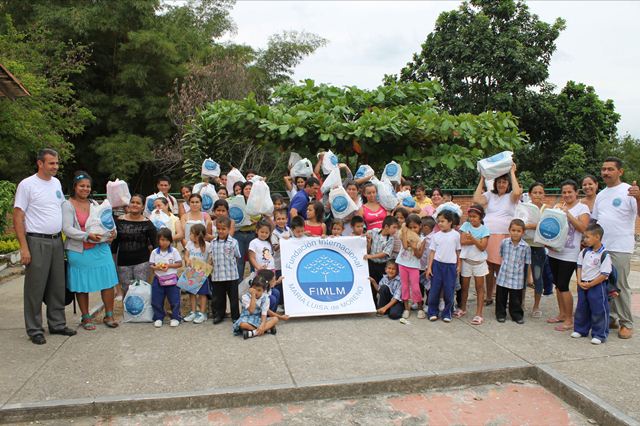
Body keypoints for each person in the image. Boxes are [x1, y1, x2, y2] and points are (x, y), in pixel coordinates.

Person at [13, 149, 77, 344]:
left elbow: (62, 209)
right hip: (36, 240)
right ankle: (34, 329)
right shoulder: (27, 185)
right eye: (51, 163)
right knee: (35, 287)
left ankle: (57, 324)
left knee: (57, 285)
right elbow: (18, 216)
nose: (55, 167)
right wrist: (24, 247)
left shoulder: (56, 183)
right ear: (40, 163)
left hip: (56, 240)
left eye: (57, 163)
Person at [62, 171, 119, 330]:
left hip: (100, 248)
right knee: (82, 284)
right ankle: (86, 317)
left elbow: (106, 222)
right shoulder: (67, 205)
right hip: (79, 250)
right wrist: (87, 236)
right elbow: (67, 229)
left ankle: (109, 315)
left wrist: (112, 233)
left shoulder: (95, 204)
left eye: (88, 186)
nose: (85, 189)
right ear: (74, 187)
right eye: (82, 186)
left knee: (108, 280)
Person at [592, 157, 640, 339]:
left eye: (610, 169)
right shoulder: (601, 195)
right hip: (602, 247)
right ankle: (610, 317)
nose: (605, 172)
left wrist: (639, 196)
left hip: (621, 247)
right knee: (604, 284)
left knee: (620, 285)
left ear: (620, 172)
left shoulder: (629, 191)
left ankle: (626, 323)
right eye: (603, 169)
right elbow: (595, 220)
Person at [473, 164, 522, 306]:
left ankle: (502, 297)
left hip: (504, 236)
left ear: (508, 184)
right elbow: (476, 199)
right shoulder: (490, 195)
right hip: (489, 235)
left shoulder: (511, 197)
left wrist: (512, 172)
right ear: (495, 183)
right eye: (499, 182)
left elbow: (518, 191)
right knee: (488, 268)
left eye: (504, 182)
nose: (501, 184)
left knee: (502, 267)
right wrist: (482, 178)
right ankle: (489, 296)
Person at [547, 180, 590, 332]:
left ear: (576, 192)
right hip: (554, 251)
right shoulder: (557, 206)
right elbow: (551, 226)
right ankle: (561, 314)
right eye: (564, 192)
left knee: (564, 285)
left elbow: (583, 228)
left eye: (569, 192)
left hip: (570, 254)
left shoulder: (582, 208)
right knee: (558, 285)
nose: (566, 195)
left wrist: (568, 214)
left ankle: (569, 320)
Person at [571, 224, 613, 345]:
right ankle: (580, 329)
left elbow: (604, 274)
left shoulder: (604, 255)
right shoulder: (584, 252)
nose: (585, 240)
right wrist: (579, 281)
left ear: (597, 237)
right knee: (582, 307)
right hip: (583, 284)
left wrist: (591, 284)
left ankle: (600, 334)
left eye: (587, 237)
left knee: (598, 309)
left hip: (597, 285)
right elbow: (579, 267)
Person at [111, 194, 157, 297]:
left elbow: (155, 244)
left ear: (143, 206)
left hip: (142, 262)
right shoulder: (119, 221)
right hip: (123, 263)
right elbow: (114, 243)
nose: (135, 205)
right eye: (133, 202)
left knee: (141, 290)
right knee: (126, 290)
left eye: (138, 203)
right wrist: (112, 260)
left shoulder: (148, 224)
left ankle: (143, 313)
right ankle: (127, 312)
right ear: (129, 204)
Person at [426, 210, 461, 322]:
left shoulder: (456, 235)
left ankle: (447, 313)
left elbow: (458, 251)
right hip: (437, 265)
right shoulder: (436, 236)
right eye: (438, 221)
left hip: (450, 266)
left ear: (450, 222)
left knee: (449, 290)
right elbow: (432, 252)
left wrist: (459, 265)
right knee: (434, 290)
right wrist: (429, 267)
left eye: (443, 221)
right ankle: (432, 312)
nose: (440, 223)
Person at [495, 219, 532, 324]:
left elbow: (527, 262)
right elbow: (501, 254)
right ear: (509, 230)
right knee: (501, 297)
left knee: (516, 298)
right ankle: (500, 314)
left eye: (518, 231)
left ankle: (516, 315)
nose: (515, 233)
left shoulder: (526, 247)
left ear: (523, 232)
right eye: (513, 230)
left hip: (517, 277)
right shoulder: (504, 242)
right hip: (504, 275)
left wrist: (529, 277)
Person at [458, 204, 490, 325]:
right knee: (464, 287)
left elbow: (482, 247)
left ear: (481, 217)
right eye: (470, 216)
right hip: (466, 261)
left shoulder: (485, 229)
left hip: (479, 263)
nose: (472, 219)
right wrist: (477, 240)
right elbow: (462, 241)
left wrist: (471, 238)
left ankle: (479, 313)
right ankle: (463, 308)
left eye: (475, 216)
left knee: (479, 288)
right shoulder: (465, 225)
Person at [523, 182, 548, 319]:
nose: (537, 195)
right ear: (530, 194)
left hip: (538, 248)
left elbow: (547, 228)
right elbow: (519, 225)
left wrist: (530, 225)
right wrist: (535, 226)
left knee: (538, 277)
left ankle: (536, 306)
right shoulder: (524, 208)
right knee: (521, 277)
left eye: (540, 192)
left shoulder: (547, 209)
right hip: (524, 246)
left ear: (544, 194)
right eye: (535, 192)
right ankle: (520, 303)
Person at [211, 216, 241, 324]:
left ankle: (235, 316)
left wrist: (232, 267)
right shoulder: (213, 243)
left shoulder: (233, 242)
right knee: (218, 298)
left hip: (231, 275)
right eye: (218, 229)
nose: (221, 231)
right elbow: (211, 257)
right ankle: (219, 315)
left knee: (233, 297)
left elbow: (237, 256)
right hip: (217, 275)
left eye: (223, 229)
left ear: (228, 229)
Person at [396, 214, 427, 319]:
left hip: (414, 266)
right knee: (404, 286)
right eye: (410, 227)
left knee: (415, 287)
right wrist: (404, 232)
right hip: (402, 263)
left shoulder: (422, 239)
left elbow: (419, 256)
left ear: (420, 226)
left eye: (415, 227)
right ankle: (406, 308)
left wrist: (414, 248)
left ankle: (420, 308)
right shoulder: (403, 234)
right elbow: (405, 247)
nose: (413, 230)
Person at [150, 228, 183, 328]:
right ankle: (159, 317)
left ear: (170, 241)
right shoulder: (155, 252)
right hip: (158, 279)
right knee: (157, 299)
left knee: (174, 299)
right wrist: (157, 267)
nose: (164, 242)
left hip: (172, 279)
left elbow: (179, 264)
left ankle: (175, 317)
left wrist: (168, 266)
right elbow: (151, 265)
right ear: (158, 240)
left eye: (167, 240)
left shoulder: (174, 251)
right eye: (162, 240)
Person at [182, 224, 212, 324]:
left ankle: (202, 313)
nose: (189, 235)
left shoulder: (207, 245)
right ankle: (193, 311)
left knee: (202, 293)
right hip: (191, 272)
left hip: (202, 272)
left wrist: (206, 268)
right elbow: (186, 256)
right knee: (191, 293)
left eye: (191, 233)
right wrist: (187, 261)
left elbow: (210, 259)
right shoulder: (189, 244)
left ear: (197, 235)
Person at [233, 274, 279, 339]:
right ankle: (266, 329)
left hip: (258, 318)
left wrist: (263, 324)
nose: (256, 292)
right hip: (247, 318)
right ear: (251, 288)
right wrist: (253, 296)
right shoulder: (245, 297)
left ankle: (252, 333)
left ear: (263, 290)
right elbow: (251, 311)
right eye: (254, 289)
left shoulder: (265, 298)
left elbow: (264, 313)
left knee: (275, 319)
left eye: (259, 290)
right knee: (242, 324)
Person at [235, 181, 262, 279]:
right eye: (246, 189)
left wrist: (255, 221)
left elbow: (261, 215)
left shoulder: (258, 202)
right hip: (239, 234)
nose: (248, 190)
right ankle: (238, 287)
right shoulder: (237, 202)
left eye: (250, 188)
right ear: (242, 191)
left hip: (252, 235)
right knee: (239, 261)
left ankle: (254, 284)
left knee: (253, 261)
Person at [365, 216, 399, 285]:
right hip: (371, 264)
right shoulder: (374, 231)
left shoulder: (391, 239)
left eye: (396, 228)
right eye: (394, 227)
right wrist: (367, 239)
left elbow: (385, 253)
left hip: (382, 265)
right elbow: (364, 235)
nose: (395, 230)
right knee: (370, 281)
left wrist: (370, 256)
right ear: (386, 226)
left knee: (381, 282)